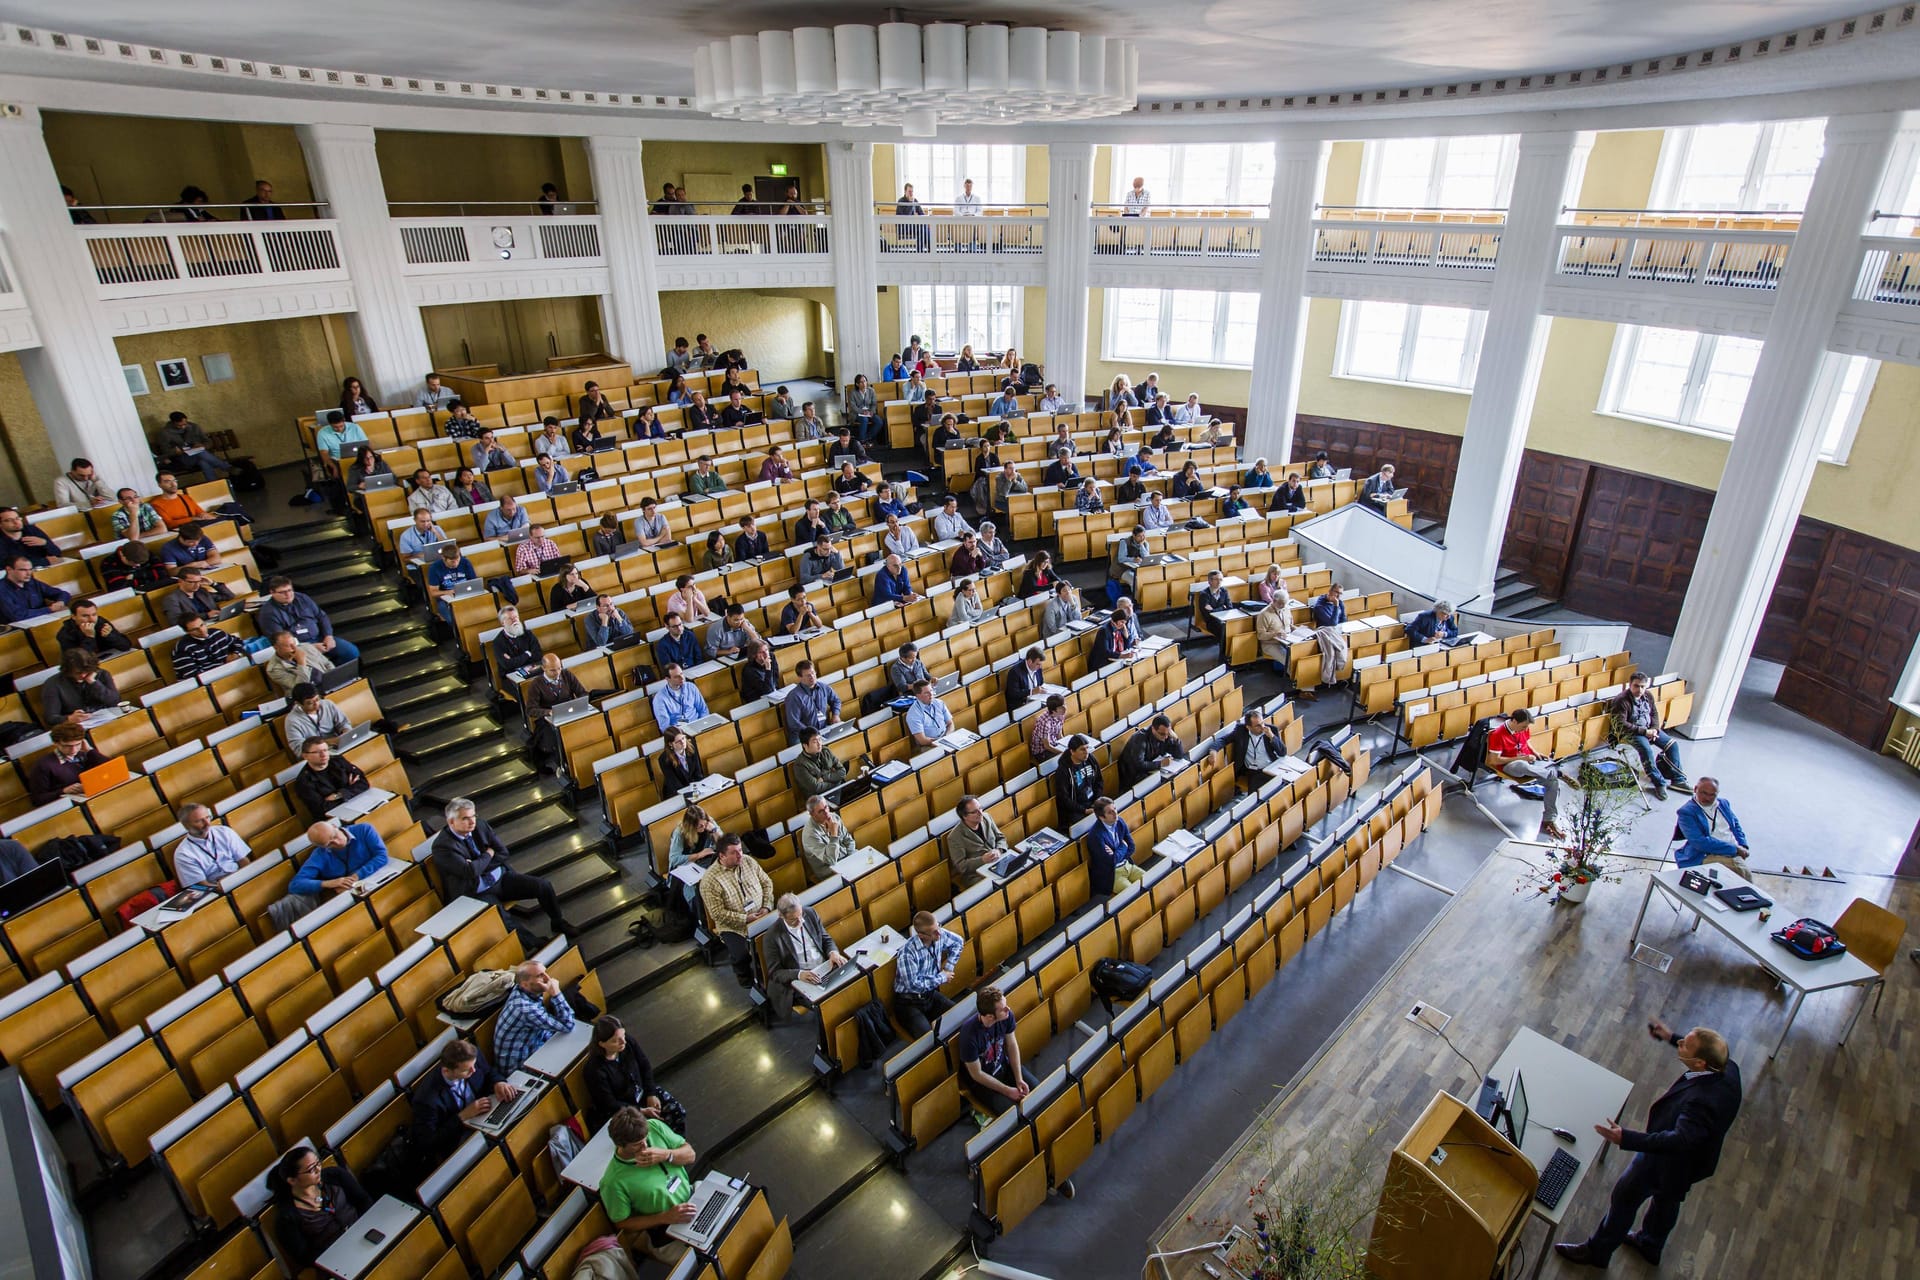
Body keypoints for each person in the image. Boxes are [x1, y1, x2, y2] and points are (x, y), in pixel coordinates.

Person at [1554, 1021, 1742, 1269]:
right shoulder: (1727, 1068)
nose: (1681, 1043)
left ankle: (1598, 1252)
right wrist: (1669, 1036)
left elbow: (1679, 1139)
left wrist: (1627, 1138)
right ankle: (1650, 1244)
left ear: (1700, 1064)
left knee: (1624, 1196)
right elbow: (1697, 1049)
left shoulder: (1701, 1101)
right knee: (1667, 1199)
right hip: (1695, 1161)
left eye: (1686, 1044)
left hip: (1668, 1160)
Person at [432, 798, 569, 935]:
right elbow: (470, 871)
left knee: (543, 885)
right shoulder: (443, 846)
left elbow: (503, 853)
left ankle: (558, 922)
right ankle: (536, 944)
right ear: (451, 821)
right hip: (475, 892)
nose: (472, 821)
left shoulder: (480, 825)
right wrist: (488, 854)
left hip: (500, 878)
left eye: (473, 815)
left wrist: (479, 865)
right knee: (503, 916)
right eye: (466, 818)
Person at [599, 1105, 698, 1264]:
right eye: (637, 1144)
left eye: (645, 1138)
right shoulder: (613, 1181)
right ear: (620, 1144)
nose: (645, 1146)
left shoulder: (654, 1126)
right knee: (701, 1262)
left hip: (693, 1197)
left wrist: (667, 1155)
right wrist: (665, 1217)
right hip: (665, 1230)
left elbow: (690, 1155)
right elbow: (622, 1223)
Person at [409, 1038, 520, 1170]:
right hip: (459, 1134)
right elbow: (429, 1143)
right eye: (466, 1070)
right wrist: (462, 1116)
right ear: (446, 1071)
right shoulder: (426, 1099)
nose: (473, 1071)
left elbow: (488, 1072)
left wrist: (499, 1082)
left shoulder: (472, 1059)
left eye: (474, 1065)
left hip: (484, 1113)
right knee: (499, 1148)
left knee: (517, 1117)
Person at [265, 1146, 372, 1273]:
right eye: (311, 1169)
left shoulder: (335, 1175)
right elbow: (304, 1256)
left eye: (318, 1163)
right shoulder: (286, 1218)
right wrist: (342, 1249)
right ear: (292, 1180)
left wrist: (364, 1226)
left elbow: (363, 1200)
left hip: (364, 1233)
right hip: (334, 1259)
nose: (318, 1169)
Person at [273, 821, 388, 930]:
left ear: (334, 826)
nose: (337, 843)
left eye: (334, 836)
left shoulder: (363, 829)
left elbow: (382, 856)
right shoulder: (320, 855)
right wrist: (328, 883)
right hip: (353, 895)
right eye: (330, 844)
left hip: (378, 877)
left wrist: (355, 877)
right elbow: (295, 885)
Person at [584, 1016, 686, 1135]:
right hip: (624, 1109)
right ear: (602, 1044)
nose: (623, 1042)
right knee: (651, 1132)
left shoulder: (628, 1043)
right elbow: (609, 1104)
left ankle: (678, 1146)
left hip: (642, 1093)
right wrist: (641, 1111)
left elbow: (645, 1066)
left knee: (677, 1112)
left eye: (623, 1035)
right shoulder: (594, 1070)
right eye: (615, 1040)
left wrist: (651, 1093)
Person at [699, 835, 775, 986]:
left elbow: (767, 883)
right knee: (741, 955)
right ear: (722, 855)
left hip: (762, 914)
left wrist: (766, 906)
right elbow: (717, 913)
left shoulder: (748, 861)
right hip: (734, 926)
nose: (740, 855)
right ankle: (744, 975)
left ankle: (771, 972)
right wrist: (745, 919)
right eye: (734, 852)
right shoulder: (709, 881)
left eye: (740, 850)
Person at [1488, 709, 1566, 840]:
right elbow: (1493, 760)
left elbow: (1527, 742)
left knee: (1553, 782)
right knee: (1523, 765)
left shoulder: (1523, 729)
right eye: (1523, 726)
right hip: (1510, 765)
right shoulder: (1498, 734)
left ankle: (1549, 820)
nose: (1525, 729)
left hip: (1528, 762)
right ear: (1514, 721)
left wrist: (1535, 753)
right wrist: (1520, 759)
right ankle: (1552, 773)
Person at [962, 986, 1039, 1118]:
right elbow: (977, 1075)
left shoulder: (1006, 1016)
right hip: (983, 1083)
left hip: (1003, 1066)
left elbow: (1012, 1045)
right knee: (1015, 1116)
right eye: (1003, 1009)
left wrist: (1018, 1078)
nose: (1008, 1009)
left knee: (1038, 1091)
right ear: (990, 1017)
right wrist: (1008, 1091)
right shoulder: (969, 1036)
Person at [492, 959, 576, 1074]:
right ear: (525, 984)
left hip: (534, 1046)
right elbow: (568, 1025)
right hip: (520, 1069)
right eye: (540, 976)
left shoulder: (524, 990)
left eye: (545, 972)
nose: (547, 978)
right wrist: (556, 993)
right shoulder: (525, 1009)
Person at [1610, 674, 1688, 797]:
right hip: (1632, 732)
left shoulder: (1648, 695)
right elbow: (1620, 724)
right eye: (1636, 686)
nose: (1639, 690)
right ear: (1630, 685)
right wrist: (1645, 732)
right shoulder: (1622, 700)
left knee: (1673, 745)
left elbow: (1654, 713)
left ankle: (1678, 779)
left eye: (1642, 687)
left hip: (1650, 729)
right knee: (1647, 750)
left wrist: (1655, 729)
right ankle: (1659, 783)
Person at [893, 911, 963, 1036]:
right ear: (921, 935)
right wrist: (942, 977)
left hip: (929, 995)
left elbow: (958, 942)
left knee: (961, 1017)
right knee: (929, 1040)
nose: (939, 933)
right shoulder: (907, 953)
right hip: (908, 1003)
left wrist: (949, 966)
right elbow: (913, 985)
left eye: (938, 927)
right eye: (934, 932)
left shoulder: (938, 934)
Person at [260, 577, 360, 662]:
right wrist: (309, 648)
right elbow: (281, 641)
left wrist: (328, 635)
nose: (288, 594)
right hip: (297, 648)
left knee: (351, 652)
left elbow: (321, 616)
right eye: (282, 592)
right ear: (272, 593)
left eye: (290, 590)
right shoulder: (268, 613)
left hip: (320, 638)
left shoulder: (302, 598)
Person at [1674, 777, 1752, 879]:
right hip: (1707, 853)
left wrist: (1743, 845)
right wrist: (1735, 849)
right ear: (1695, 789)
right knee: (1741, 872)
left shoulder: (1724, 803)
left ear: (1717, 793)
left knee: (1740, 874)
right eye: (1703, 793)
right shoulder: (1686, 812)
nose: (1707, 798)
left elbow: (1735, 825)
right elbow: (1699, 842)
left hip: (1733, 849)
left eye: (1712, 795)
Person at [172, 803, 251, 886]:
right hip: (216, 888)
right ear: (186, 825)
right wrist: (223, 886)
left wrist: (243, 877)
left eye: (207, 817)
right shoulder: (183, 854)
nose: (207, 823)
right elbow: (201, 885)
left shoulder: (224, 832)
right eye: (199, 821)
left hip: (240, 877)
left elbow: (243, 861)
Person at [28, 723, 108, 804]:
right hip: (69, 802)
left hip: (92, 795)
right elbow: (37, 799)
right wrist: (63, 791)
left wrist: (90, 750)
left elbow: (110, 768)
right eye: (67, 746)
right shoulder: (43, 765)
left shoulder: (86, 753)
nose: (74, 750)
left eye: (77, 744)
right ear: (56, 743)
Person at [291, 738, 369, 820]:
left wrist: (339, 795)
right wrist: (351, 789)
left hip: (357, 802)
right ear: (305, 756)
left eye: (325, 750)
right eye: (317, 752)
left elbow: (364, 783)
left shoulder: (338, 760)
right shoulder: (304, 782)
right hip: (336, 818)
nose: (323, 755)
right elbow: (323, 809)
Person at [40, 652, 119, 726]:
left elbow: (115, 701)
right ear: (67, 671)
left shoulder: (102, 674)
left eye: (87, 671)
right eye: (78, 673)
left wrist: (93, 682)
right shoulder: (53, 684)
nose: (83, 675)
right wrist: (68, 718)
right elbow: (50, 717)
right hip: (77, 726)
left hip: (108, 719)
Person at [946, 795, 1007, 880]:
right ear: (964, 816)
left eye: (980, 808)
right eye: (975, 812)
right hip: (977, 874)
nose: (980, 813)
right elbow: (961, 866)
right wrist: (982, 860)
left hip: (998, 861)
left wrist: (999, 850)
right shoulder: (954, 837)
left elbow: (1000, 838)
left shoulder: (986, 817)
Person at [799, 795, 858, 881]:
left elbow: (849, 840)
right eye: (821, 811)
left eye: (826, 807)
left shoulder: (834, 817)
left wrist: (851, 858)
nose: (826, 813)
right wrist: (833, 835)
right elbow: (831, 860)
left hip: (846, 859)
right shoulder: (810, 834)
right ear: (812, 815)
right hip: (829, 870)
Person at [283, 684, 350, 758]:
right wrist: (328, 742)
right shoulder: (292, 720)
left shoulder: (327, 704)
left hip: (339, 746)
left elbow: (344, 722)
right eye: (310, 703)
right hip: (317, 756)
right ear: (298, 704)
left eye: (317, 699)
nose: (316, 704)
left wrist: (346, 732)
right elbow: (299, 749)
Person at [782, 661, 842, 743]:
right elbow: (794, 723)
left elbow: (836, 700)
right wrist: (813, 734)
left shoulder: (823, 687)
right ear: (800, 677)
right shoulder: (794, 697)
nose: (812, 677)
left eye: (813, 673)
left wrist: (836, 714)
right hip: (803, 735)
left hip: (823, 729)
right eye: (808, 675)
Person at [1119, 715, 1185, 788]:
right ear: (1153, 729)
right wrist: (1160, 764)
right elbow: (1139, 765)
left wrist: (1176, 740)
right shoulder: (1139, 739)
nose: (1166, 737)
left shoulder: (1165, 734)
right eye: (1162, 734)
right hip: (1135, 775)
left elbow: (1179, 755)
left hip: (1153, 769)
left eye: (1168, 733)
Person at [0, 554, 68, 624]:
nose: (29, 573)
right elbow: (18, 615)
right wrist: (49, 609)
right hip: (18, 628)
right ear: (9, 569)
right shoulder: (2, 589)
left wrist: (61, 602)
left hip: (43, 620)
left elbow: (62, 593)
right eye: (23, 570)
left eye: (30, 569)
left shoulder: (32, 582)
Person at [172, 614, 244, 678]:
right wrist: (223, 668)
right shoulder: (183, 648)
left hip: (229, 672)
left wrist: (235, 653)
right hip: (206, 683)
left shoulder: (217, 633)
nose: (202, 630)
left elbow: (238, 642)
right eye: (195, 629)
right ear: (187, 632)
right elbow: (193, 675)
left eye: (202, 625)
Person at [54, 598, 131, 657]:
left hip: (111, 658)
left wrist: (110, 636)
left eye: (94, 614)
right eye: (85, 616)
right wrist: (89, 637)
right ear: (73, 617)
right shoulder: (65, 634)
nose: (92, 619)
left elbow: (126, 646)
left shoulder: (100, 621)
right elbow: (79, 661)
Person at [264, 630, 332, 697]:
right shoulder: (274, 669)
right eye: (288, 646)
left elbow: (327, 664)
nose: (294, 648)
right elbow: (301, 687)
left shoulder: (306, 647)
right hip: (307, 697)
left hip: (327, 684)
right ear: (276, 648)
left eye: (294, 643)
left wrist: (334, 679)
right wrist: (301, 662)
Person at [1228, 708, 1285, 784]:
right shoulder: (1240, 731)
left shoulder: (1272, 730)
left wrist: (1272, 737)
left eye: (1262, 723)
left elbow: (1282, 752)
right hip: (1253, 771)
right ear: (1248, 727)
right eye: (1258, 726)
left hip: (1270, 767)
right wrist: (1213, 750)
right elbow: (1223, 739)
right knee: (1258, 790)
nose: (1262, 727)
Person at [1307, 583, 1348, 688]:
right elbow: (1332, 623)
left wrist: (1337, 605)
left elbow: (1343, 619)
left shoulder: (1339, 603)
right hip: (1326, 633)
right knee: (1335, 649)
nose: (1338, 596)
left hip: (1337, 632)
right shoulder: (1320, 606)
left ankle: (1342, 676)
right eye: (1336, 593)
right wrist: (1335, 606)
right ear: (1330, 592)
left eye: (1341, 594)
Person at [650, 664, 709, 729]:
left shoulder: (691, 687)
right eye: (676, 677)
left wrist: (704, 724)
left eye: (681, 673)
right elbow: (665, 727)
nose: (682, 678)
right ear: (667, 679)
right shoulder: (659, 699)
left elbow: (703, 710)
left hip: (698, 724)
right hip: (680, 731)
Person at [492, 606, 543, 678]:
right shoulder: (498, 643)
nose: (515, 620)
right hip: (512, 676)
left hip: (533, 670)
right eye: (510, 618)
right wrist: (527, 654)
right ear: (503, 623)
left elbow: (538, 655)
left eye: (516, 617)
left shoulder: (528, 634)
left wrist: (515, 660)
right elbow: (507, 665)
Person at [655, 725, 705, 795]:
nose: (683, 742)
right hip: (676, 792)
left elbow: (698, 773)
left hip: (695, 788)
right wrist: (690, 794)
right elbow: (675, 784)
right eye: (678, 741)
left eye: (683, 738)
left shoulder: (692, 748)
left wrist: (698, 789)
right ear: (670, 744)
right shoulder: (664, 759)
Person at [905, 679, 955, 747]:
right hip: (929, 745)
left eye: (931, 690)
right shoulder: (913, 714)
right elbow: (923, 741)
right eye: (926, 693)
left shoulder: (939, 703)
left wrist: (947, 737)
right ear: (918, 696)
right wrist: (941, 743)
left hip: (946, 737)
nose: (931, 694)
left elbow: (950, 724)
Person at [1255, 593, 1296, 676]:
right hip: (1271, 644)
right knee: (1290, 660)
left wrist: (1298, 630)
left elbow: (1290, 625)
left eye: (1285, 603)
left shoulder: (1286, 609)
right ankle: (1300, 682)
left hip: (1288, 640)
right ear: (1274, 601)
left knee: (1301, 656)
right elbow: (1260, 636)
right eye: (1281, 603)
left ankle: (1301, 679)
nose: (1283, 606)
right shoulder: (1264, 614)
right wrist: (1274, 634)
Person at [1004, 646, 1046, 712]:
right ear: (1029, 661)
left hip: (1035, 700)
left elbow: (1040, 683)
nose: (1040, 667)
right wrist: (1031, 691)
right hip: (1020, 704)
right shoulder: (1015, 672)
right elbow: (1013, 693)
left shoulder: (1038, 668)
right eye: (1038, 664)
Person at [1028, 694, 1068, 759]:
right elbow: (1047, 746)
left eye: (1065, 704)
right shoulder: (1044, 722)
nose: (1065, 708)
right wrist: (1063, 753)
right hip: (1042, 751)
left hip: (1054, 744)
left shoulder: (1061, 715)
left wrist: (1065, 746)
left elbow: (1059, 734)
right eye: (1061, 707)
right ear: (1053, 710)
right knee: (1066, 759)